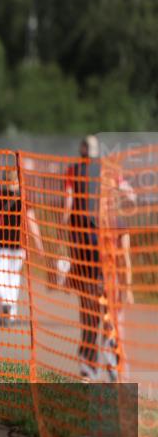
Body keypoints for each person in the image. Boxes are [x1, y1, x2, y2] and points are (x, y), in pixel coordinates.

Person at [63, 135, 135, 381]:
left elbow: (67, 206)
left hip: (86, 255)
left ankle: (91, 364)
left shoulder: (76, 172)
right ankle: (108, 361)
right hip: (98, 260)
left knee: (89, 312)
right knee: (103, 310)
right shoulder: (107, 173)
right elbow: (129, 195)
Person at [0, 168, 43, 324]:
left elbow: (31, 221)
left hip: (16, 247)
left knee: (8, 280)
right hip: (1, 245)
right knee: (1, 282)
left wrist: (38, 244)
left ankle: (9, 314)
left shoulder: (22, 198)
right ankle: (7, 306)